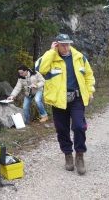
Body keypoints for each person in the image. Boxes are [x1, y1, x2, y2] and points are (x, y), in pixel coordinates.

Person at [35, 33, 95, 175]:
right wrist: (51, 51)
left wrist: (90, 90)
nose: (66, 47)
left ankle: (79, 156)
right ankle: (68, 155)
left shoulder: (80, 57)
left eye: (68, 44)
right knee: (62, 129)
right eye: (63, 44)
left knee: (79, 126)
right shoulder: (50, 57)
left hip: (77, 98)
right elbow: (41, 69)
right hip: (59, 100)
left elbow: (89, 75)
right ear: (57, 44)